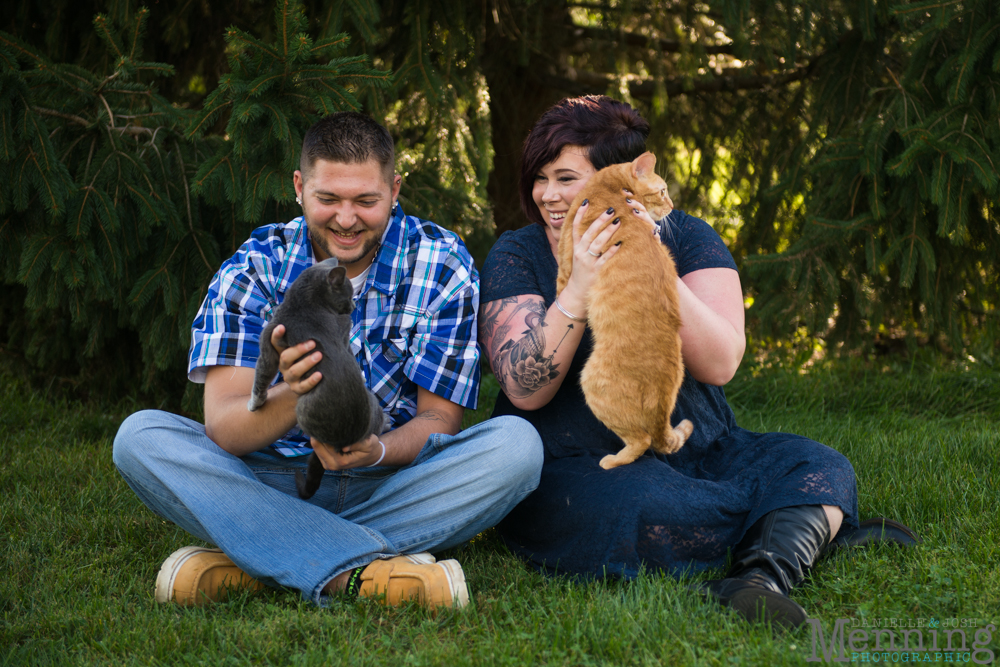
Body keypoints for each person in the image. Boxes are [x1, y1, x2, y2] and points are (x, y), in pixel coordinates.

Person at [478, 95, 917, 629]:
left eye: (566, 178)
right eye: (540, 178)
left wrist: (648, 259)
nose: (547, 195)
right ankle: (797, 529)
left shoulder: (684, 236)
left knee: (818, 465)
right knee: (640, 503)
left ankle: (760, 578)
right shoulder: (518, 253)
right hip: (580, 464)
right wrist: (578, 287)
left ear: (618, 182)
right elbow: (525, 389)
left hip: (696, 444)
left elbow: (722, 362)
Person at [113, 111, 544, 610]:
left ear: (395, 189)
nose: (346, 219)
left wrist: (376, 451)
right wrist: (294, 390)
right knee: (140, 438)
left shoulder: (441, 263)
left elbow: (440, 419)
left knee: (518, 448)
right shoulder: (256, 266)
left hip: (391, 482)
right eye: (328, 199)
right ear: (299, 186)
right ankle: (363, 573)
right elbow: (225, 428)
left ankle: (258, 559)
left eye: (366, 200)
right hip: (271, 479)